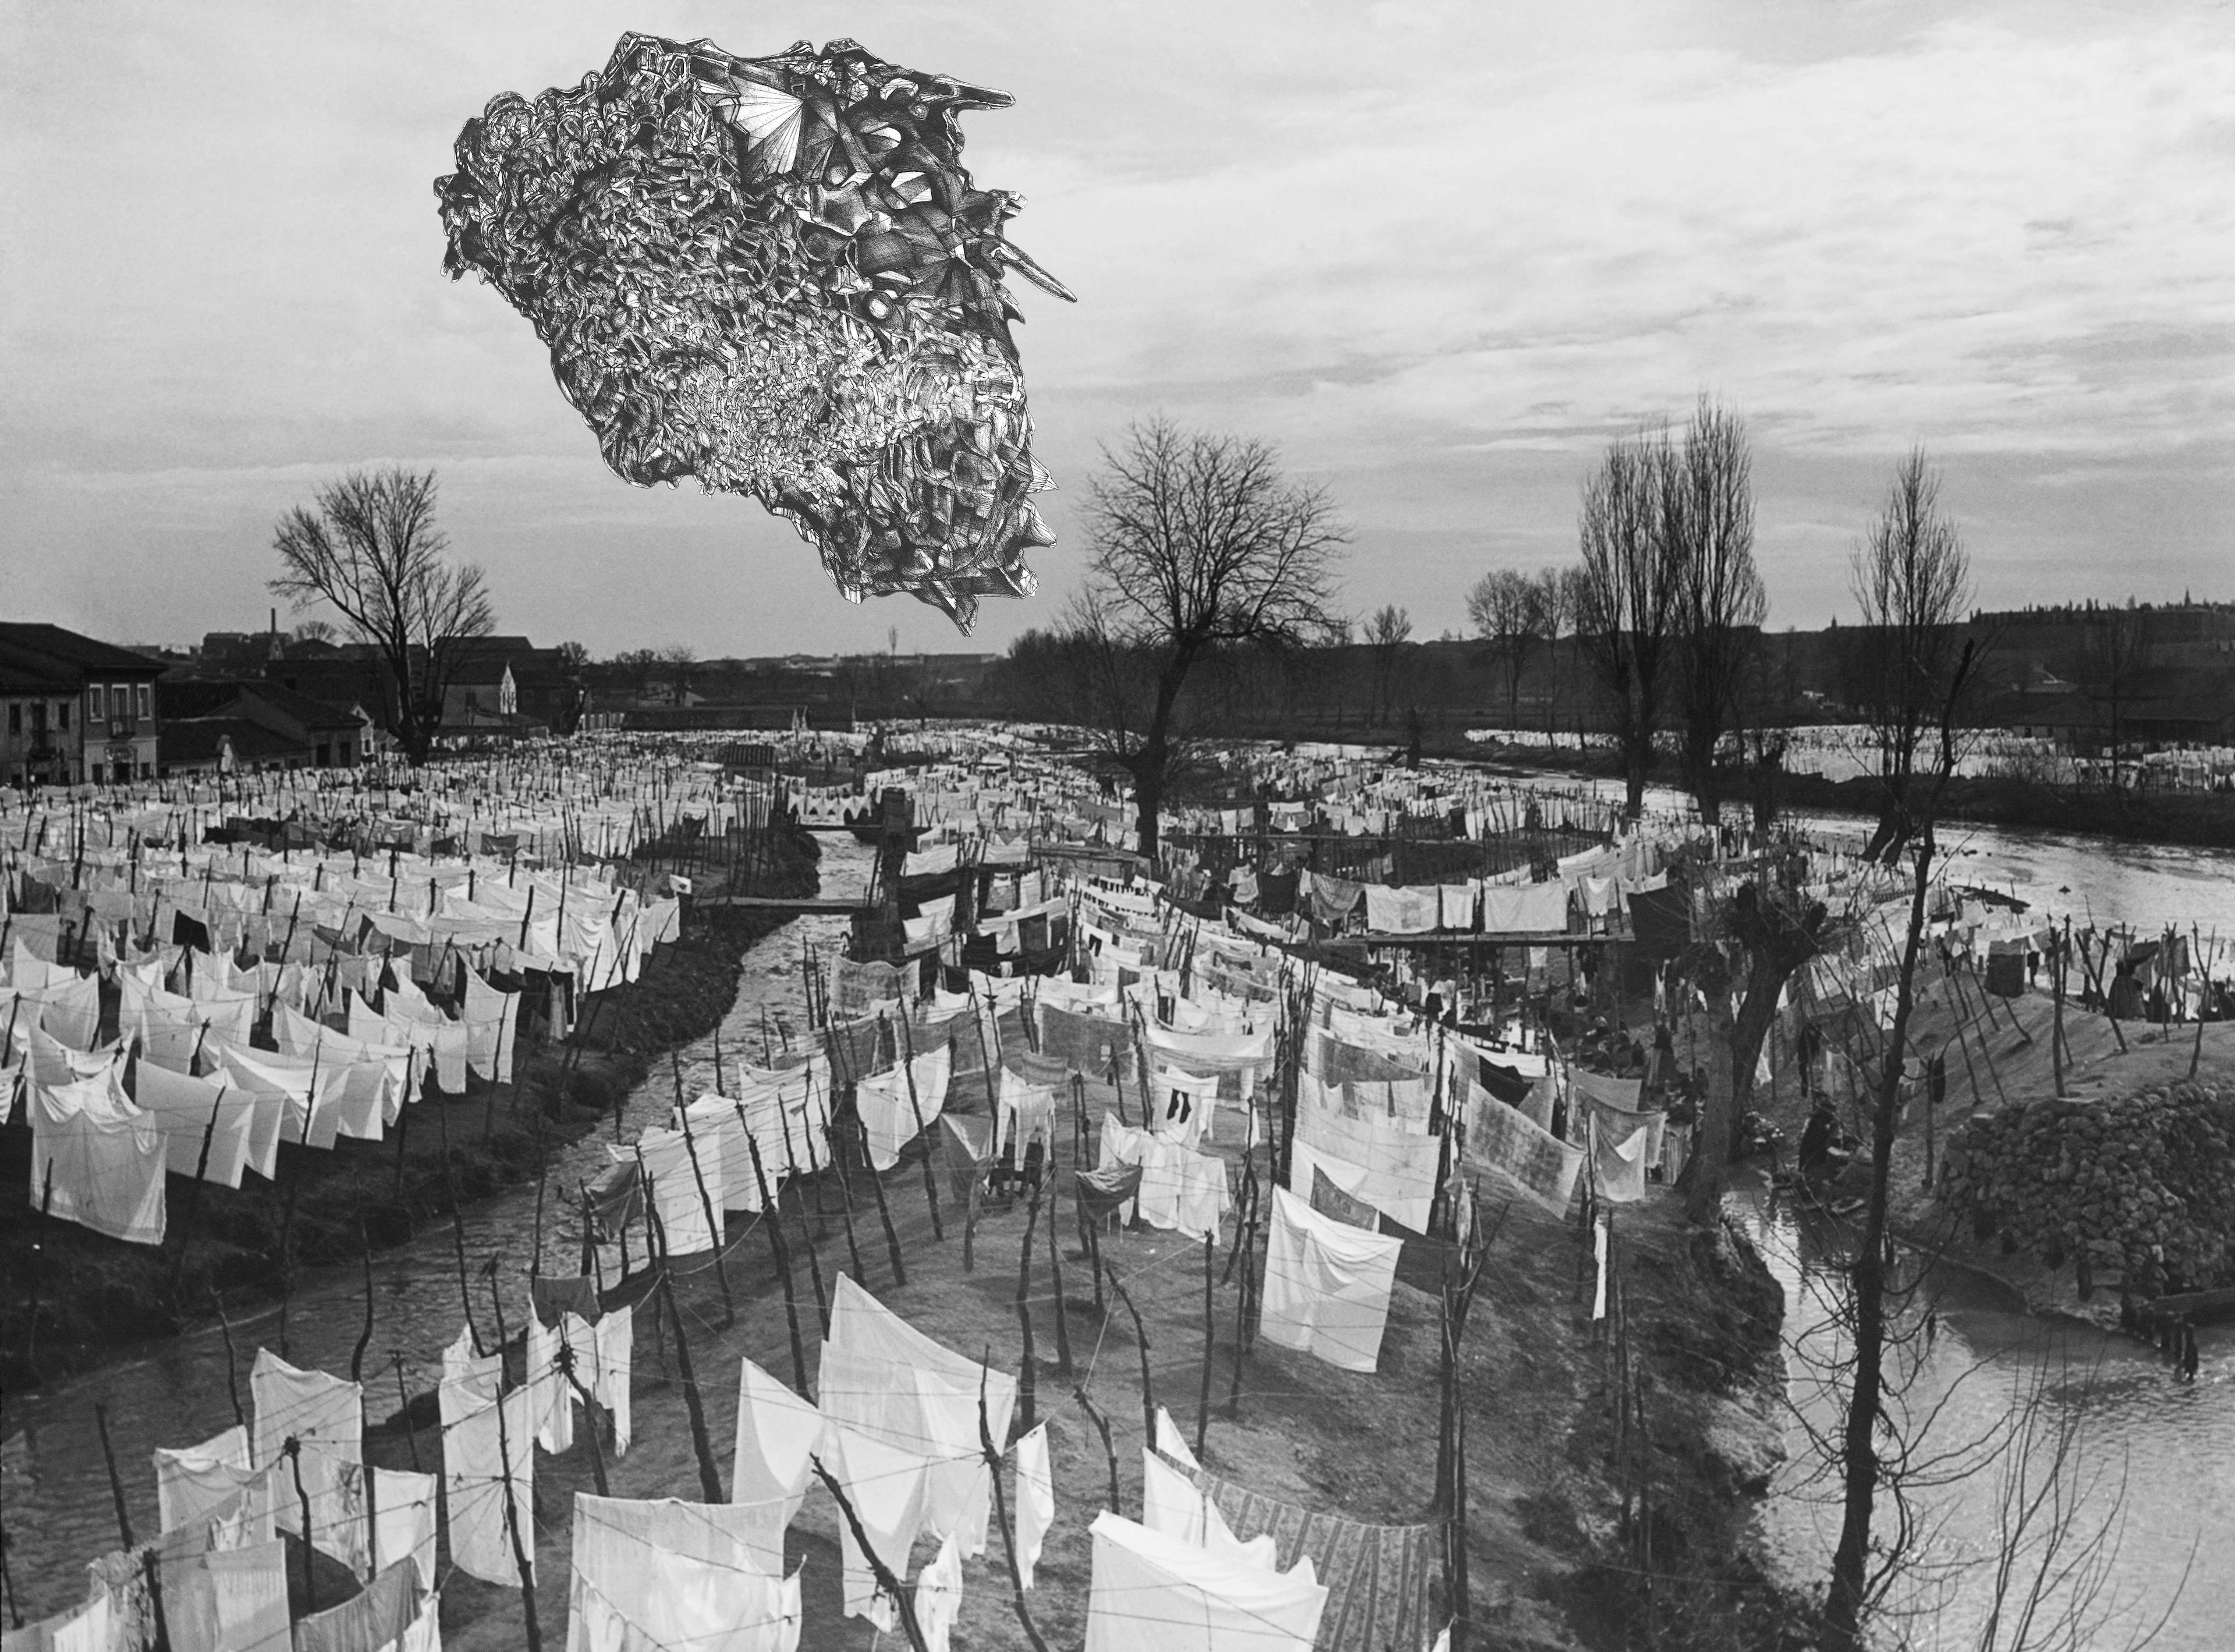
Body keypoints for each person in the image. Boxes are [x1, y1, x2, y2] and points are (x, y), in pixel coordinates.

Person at [1798, 1097, 1841, 1182]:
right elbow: (1828, 1138)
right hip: (1814, 1160)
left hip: (1812, 1157)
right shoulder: (1819, 1120)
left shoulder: (1817, 1119)